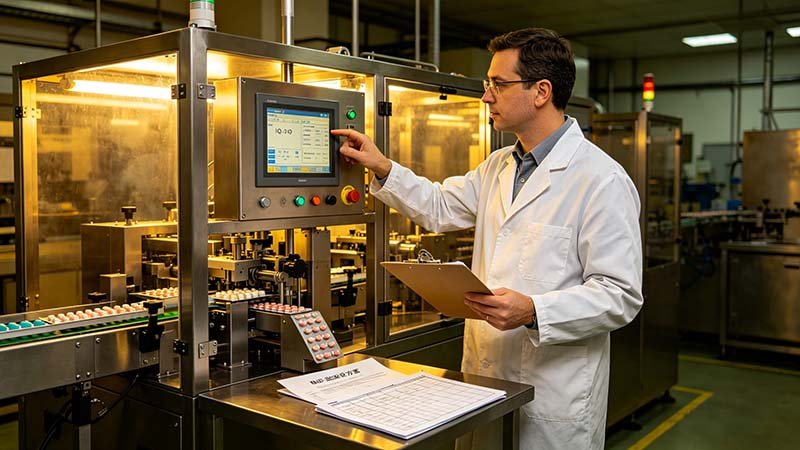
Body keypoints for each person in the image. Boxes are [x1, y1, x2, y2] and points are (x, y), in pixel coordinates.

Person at [332, 27, 643, 450]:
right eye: (487, 84)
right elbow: (440, 206)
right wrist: (382, 166)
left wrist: (533, 309)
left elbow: (620, 294)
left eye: (498, 84)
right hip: (484, 381)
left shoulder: (600, 180)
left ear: (541, 91)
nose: (486, 96)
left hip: (553, 396)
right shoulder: (499, 165)